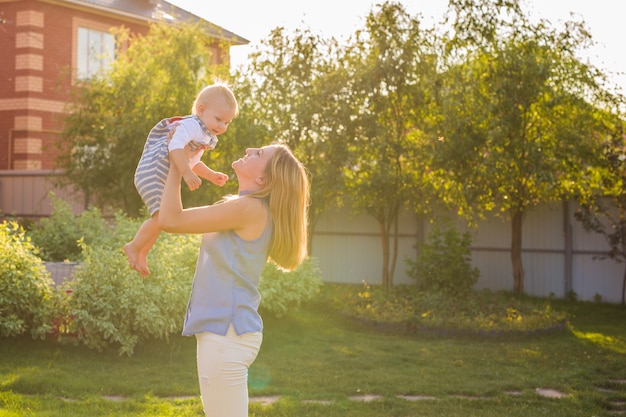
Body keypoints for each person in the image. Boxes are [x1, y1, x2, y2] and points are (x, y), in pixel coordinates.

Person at [158, 143, 309, 417]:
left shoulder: (249, 209)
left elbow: (170, 220)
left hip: (226, 335)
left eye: (259, 153)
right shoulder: (247, 208)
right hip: (227, 333)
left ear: (263, 179)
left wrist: (176, 163)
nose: (250, 149)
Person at [124, 83, 238, 276]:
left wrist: (210, 175)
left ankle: (142, 251)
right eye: (219, 119)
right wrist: (185, 173)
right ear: (201, 110)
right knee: (162, 217)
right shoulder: (191, 125)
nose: (222, 126)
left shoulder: (204, 133)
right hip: (152, 171)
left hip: (160, 174)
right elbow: (175, 148)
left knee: (164, 218)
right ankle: (134, 246)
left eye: (227, 123)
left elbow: (192, 161)